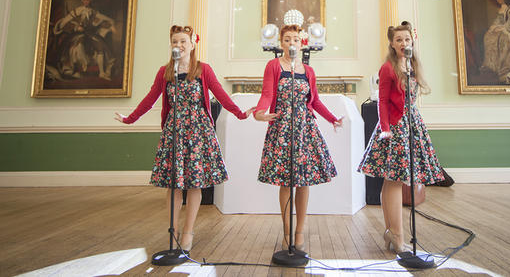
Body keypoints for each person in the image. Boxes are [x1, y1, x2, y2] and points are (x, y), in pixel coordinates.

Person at [114, 25, 253, 251]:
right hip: (175, 132)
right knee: (173, 185)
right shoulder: (165, 72)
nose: (178, 45)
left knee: (194, 183)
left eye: (182, 42)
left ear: (192, 44)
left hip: (198, 131)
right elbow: (150, 99)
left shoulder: (203, 70)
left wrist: (240, 113)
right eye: (174, 42)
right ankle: (173, 232)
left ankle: (188, 232)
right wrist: (130, 119)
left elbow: (221, 94)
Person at [254, 24, 343, 251]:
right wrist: (260, 112)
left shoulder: (308, 71)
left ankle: (299, 232)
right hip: (282, 129)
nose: (291, 43)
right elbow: (267, 94)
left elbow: (314, 102)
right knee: (286, 182)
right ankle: (286, 233)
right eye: (287, 39)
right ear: (281, 43)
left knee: (303, 182)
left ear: (301, 43)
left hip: (305, 130)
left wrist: (332, 118)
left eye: (295, 39)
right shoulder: (273, 66)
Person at [358, 21, 444, 253]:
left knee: (394, 180)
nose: (404, 43)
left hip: (411, 125)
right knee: (393, 180)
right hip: (395, 127)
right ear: (392, 44)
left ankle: (392, 233)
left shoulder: (413, 66)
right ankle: (397, 235)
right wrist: (386, 128)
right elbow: (383, 102)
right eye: (399, 40)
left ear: (412, 41)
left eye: (407, 39)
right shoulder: (388, 68)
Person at [53, 0, 116, 80]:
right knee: (77, 45)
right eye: (85, 0)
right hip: (77, 34)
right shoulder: (77, 11)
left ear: (90, 2)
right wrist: (76, 27)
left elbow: (104, 18)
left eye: (88, 0)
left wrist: (111, 23)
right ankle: (78, 66)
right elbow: (64, 22)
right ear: (82, 1)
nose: (86, 2)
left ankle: (102, 72)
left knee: (101, 45)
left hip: (89, 33)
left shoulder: (93, 11)